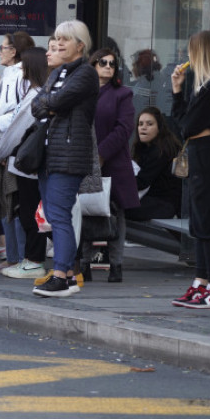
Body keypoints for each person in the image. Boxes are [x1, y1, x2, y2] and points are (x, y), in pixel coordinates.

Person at [29, 20, 98, 298]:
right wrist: (51, 102)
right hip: (50, 154)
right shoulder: (57, 73)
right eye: (56, 38)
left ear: (80, 46)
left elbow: (54, 103)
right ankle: (66, 274)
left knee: (59, 215)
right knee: (55, 215)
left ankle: (61, 274)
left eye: (64, 40)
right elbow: (37, 106)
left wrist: (51, 103)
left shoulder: (85, 74)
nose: (57, 44)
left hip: (69, 155)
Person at [170, 30, 210, 309]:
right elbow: (181, 122)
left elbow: (186, 126)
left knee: (207, 223)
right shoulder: (202, 86)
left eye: (191, 50)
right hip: (199, 150)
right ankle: (201, 282)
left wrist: (184, 111)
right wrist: (178, 91)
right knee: (197, 222)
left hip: (206, 152)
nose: (187, 57)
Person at [82, 47, 138, 283]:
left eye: (111, 63)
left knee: (115, 214)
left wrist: (102, 153)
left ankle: (116, 265)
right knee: (86, 210)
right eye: (102, 62)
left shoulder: (122, 93)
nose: (107, 66)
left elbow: (124, 128)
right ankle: (84, 263)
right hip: (85, 159)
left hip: (113, 161)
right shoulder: (84, 92)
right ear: (93, 64)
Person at [0, 48, 51, 280]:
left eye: (23, 66)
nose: (20, 71)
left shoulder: (37, 95)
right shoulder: (33, 93)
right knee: (27, 213)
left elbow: (17, 129)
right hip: (24, 164)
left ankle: (33, 260)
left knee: (31, 214)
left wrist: (1, 151)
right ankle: (29, 259)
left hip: (29, 164)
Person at [0, 31, 36, 267]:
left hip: (14, 146)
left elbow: (22, 112)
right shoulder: (7, 74)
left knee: (15, 201)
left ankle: (21, 256)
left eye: (3, 47)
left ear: (13, 51)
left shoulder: (23, 76)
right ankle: (12, 257)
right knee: (5, 202)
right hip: (1, 143)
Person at [126, 106, 183, 222]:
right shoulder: (146, 148)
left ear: (159, 128)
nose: (143, 128)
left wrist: (117, 184)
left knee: (118, 206)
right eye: (140, 124)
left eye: (149, 124)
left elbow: (142, 182)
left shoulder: (161, 151)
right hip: (151, 200)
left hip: (164, 205)